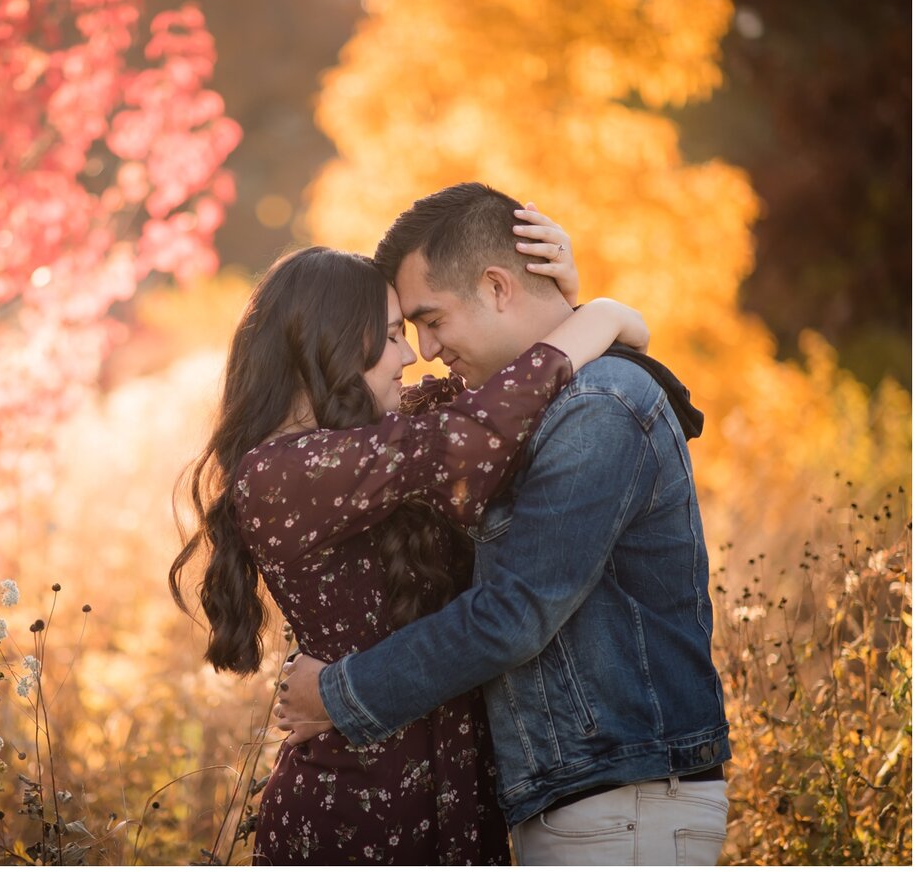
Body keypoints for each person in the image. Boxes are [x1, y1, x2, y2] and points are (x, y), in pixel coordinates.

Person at [274, 183, 731, 866]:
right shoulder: (529, 413)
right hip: (588, 797)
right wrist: (597, 310)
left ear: (496, 286)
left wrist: (340, 694)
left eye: (430, 320)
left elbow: (514, 614)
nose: (425, 350)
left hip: (622, 802)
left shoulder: (598, 405)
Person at [173, 208, 647, 863]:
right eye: (393, 335)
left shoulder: (369, 444)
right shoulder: (283, 471)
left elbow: (507, 386)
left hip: (455, 802)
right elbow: (476, 430)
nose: (411, 355)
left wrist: (567, 302)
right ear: (331, 344)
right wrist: (603, 316)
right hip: (356, 818)